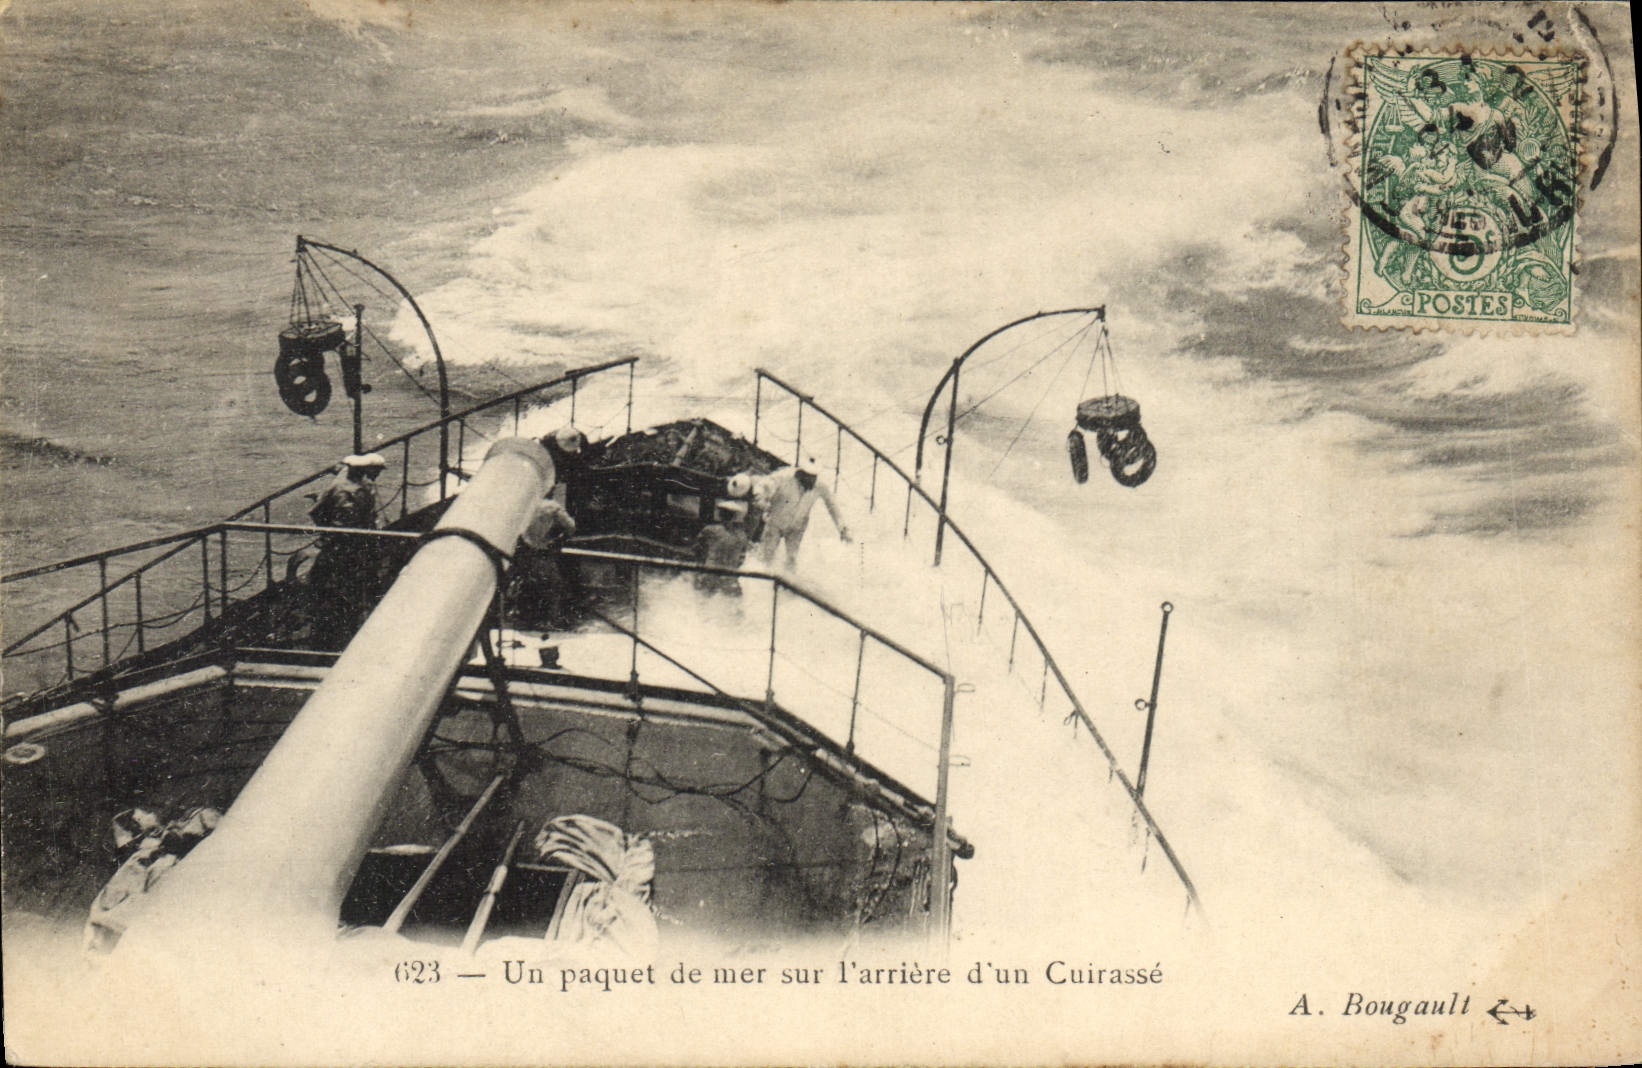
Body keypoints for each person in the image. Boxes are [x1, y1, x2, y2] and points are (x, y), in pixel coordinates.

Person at [307, 453, 385, 648]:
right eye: (375, 471)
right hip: (343, 547)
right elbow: (345, 522)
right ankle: (334, 635)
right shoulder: (345, 490)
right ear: (364, 470)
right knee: (340, 589)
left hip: (351, 544)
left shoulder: (354, 482)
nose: (377, 475)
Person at [750, 457, 851, 569]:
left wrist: (842, 528)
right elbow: (765, 484)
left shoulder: (819, 486)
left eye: (814, 477)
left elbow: (832, 505)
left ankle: (784, 584)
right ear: (800, 473)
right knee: (766, 555)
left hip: (797, 527)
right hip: (776, 522)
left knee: (791, 559)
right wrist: (760, 495)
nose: (812, 480)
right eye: (809, 476)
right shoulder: (784, 477)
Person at [512, 494, 578, 629]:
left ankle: (525, 619)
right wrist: (558, 538)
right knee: (554, 585)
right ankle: (551, 620)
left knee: (528, 585)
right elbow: (571, 527)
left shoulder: (528, 504)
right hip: (542, 551)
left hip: (525, 550)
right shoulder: (553, 507)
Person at [694, 500, 752, 596]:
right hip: (730, 578)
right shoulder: (742, 536)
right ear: (735, 516)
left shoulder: (710, 530)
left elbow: (697, 549)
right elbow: (741, 560)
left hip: (710, 575)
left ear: (720, 514)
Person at [542, 425, 587, 504]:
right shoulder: (548, 441)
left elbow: (586, 451)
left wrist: (581, 459)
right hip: (555, 460)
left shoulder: (579, 436)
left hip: (570, 457)